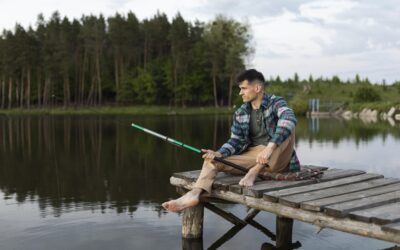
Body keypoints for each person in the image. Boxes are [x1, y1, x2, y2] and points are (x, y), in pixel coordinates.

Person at [162, 69, 300, 212]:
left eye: (244, 88)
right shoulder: (241, 112)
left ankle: (255, 171)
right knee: (212, 160)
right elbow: (236, 141)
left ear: (257, 88)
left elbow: (289, 117)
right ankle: (194, 193)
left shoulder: (276, 102)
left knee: (287, 127)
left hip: (279, 157)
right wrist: (219, 153)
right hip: (254, 155)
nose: (240, 93)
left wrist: (269, 148)